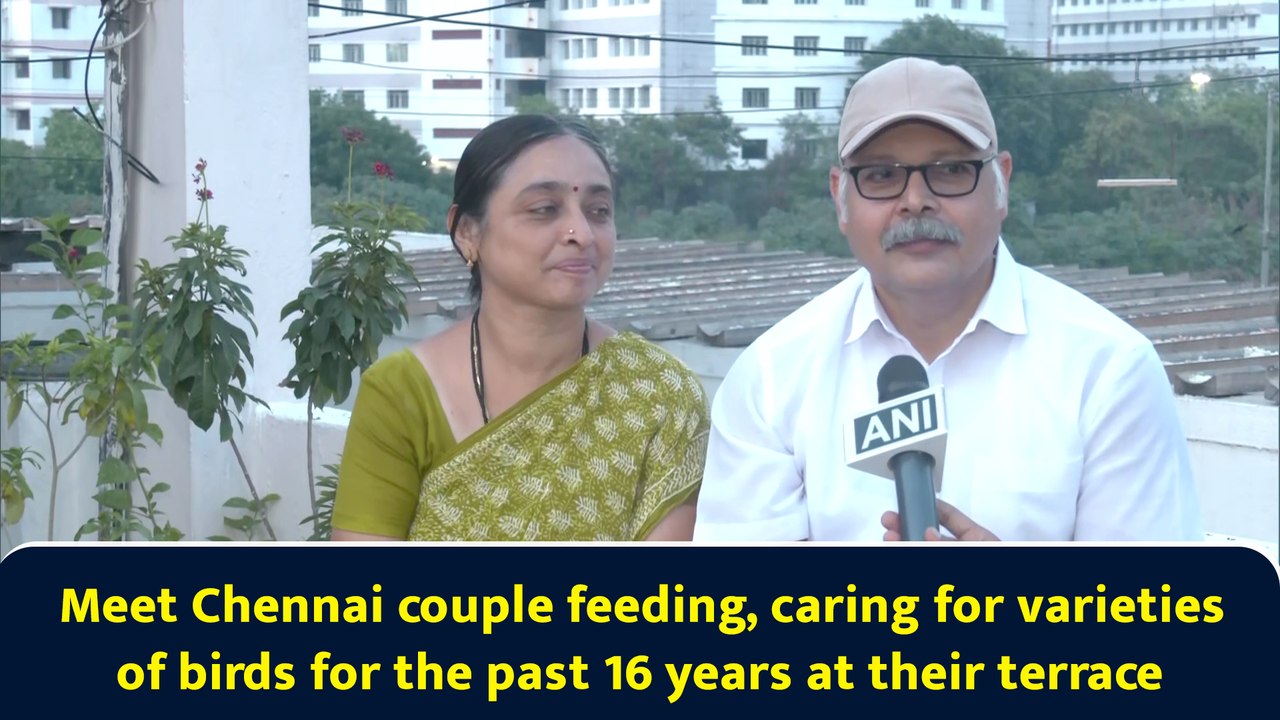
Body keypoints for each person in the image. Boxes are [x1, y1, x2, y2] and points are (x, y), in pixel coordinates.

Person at [693, 57, 1203, 542]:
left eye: (952, 170)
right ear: (839, 197)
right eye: (882, 176)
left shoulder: (1109, 369)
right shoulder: (772, 377)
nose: (915, 199)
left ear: (1001, 182)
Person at [331, 114, 709, 542]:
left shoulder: (659, 393)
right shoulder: (401, 392)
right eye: (544, 209)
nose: (581, 233)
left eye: (598, 211)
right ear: (468, 232)